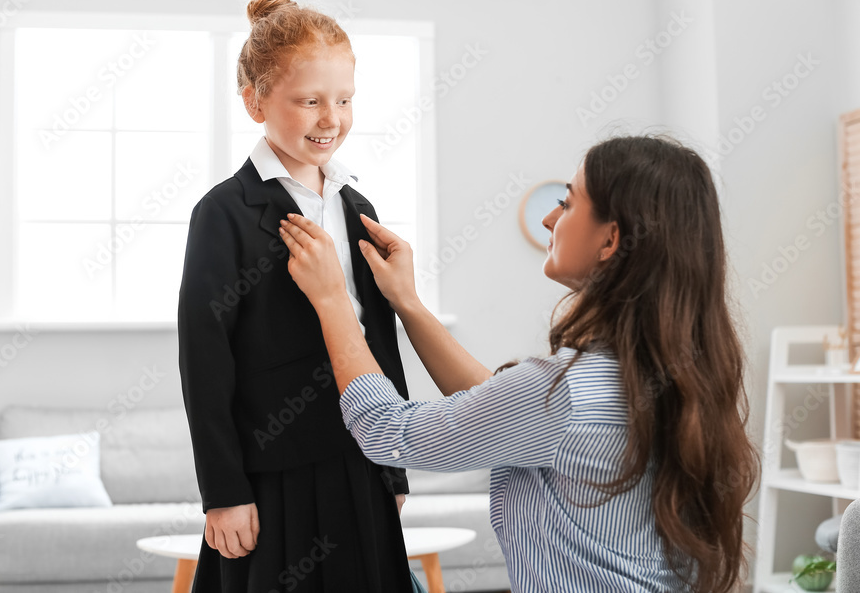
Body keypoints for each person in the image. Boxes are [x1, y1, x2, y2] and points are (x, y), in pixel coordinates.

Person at [278, 135, 759, 593]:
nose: (550, 219)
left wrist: (332, 299)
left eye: (568, 203)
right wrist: (408, 303)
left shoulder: (562, 393)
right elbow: (502, 410)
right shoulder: (666, 374)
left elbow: (389, 431)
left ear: (611, 241)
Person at [177, 0, 414, 593]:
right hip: (271, 475)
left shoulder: (358, 207)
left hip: (363, 459)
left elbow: (378, 335)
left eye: (344, 100)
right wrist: (224, 492)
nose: (330, 118)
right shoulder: (223, 214)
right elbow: (204, 361)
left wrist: (396, 466)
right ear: (255, 101)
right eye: (309, 101)